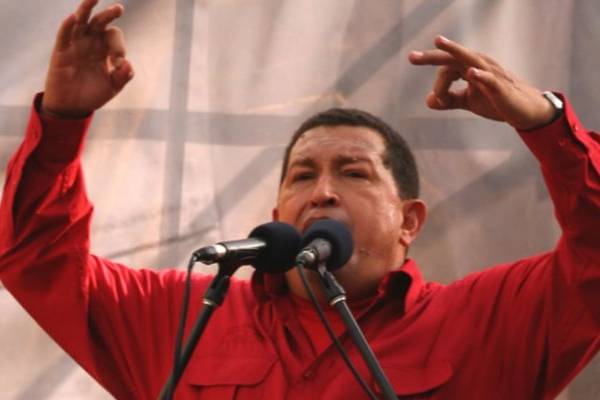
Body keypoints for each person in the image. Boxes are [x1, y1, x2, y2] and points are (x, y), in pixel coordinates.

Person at [0, 0, 598, 399]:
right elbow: (38, 259)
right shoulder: (185, 313)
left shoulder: (483, 320)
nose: (323, 192)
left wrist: (546, 123)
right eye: (302, 176)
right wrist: (62, 120)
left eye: (354, 173)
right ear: (276, 218)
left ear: (409, 221)